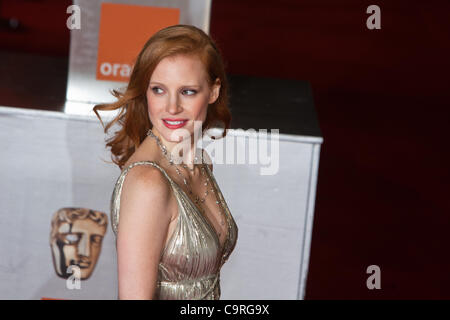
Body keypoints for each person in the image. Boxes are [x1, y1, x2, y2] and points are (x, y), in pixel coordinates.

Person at [93, 24, 238, 300]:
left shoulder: (199, 162)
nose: (171, 107)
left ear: (214, 91)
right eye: (158, 90)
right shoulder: (148, 183)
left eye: (187, 91)